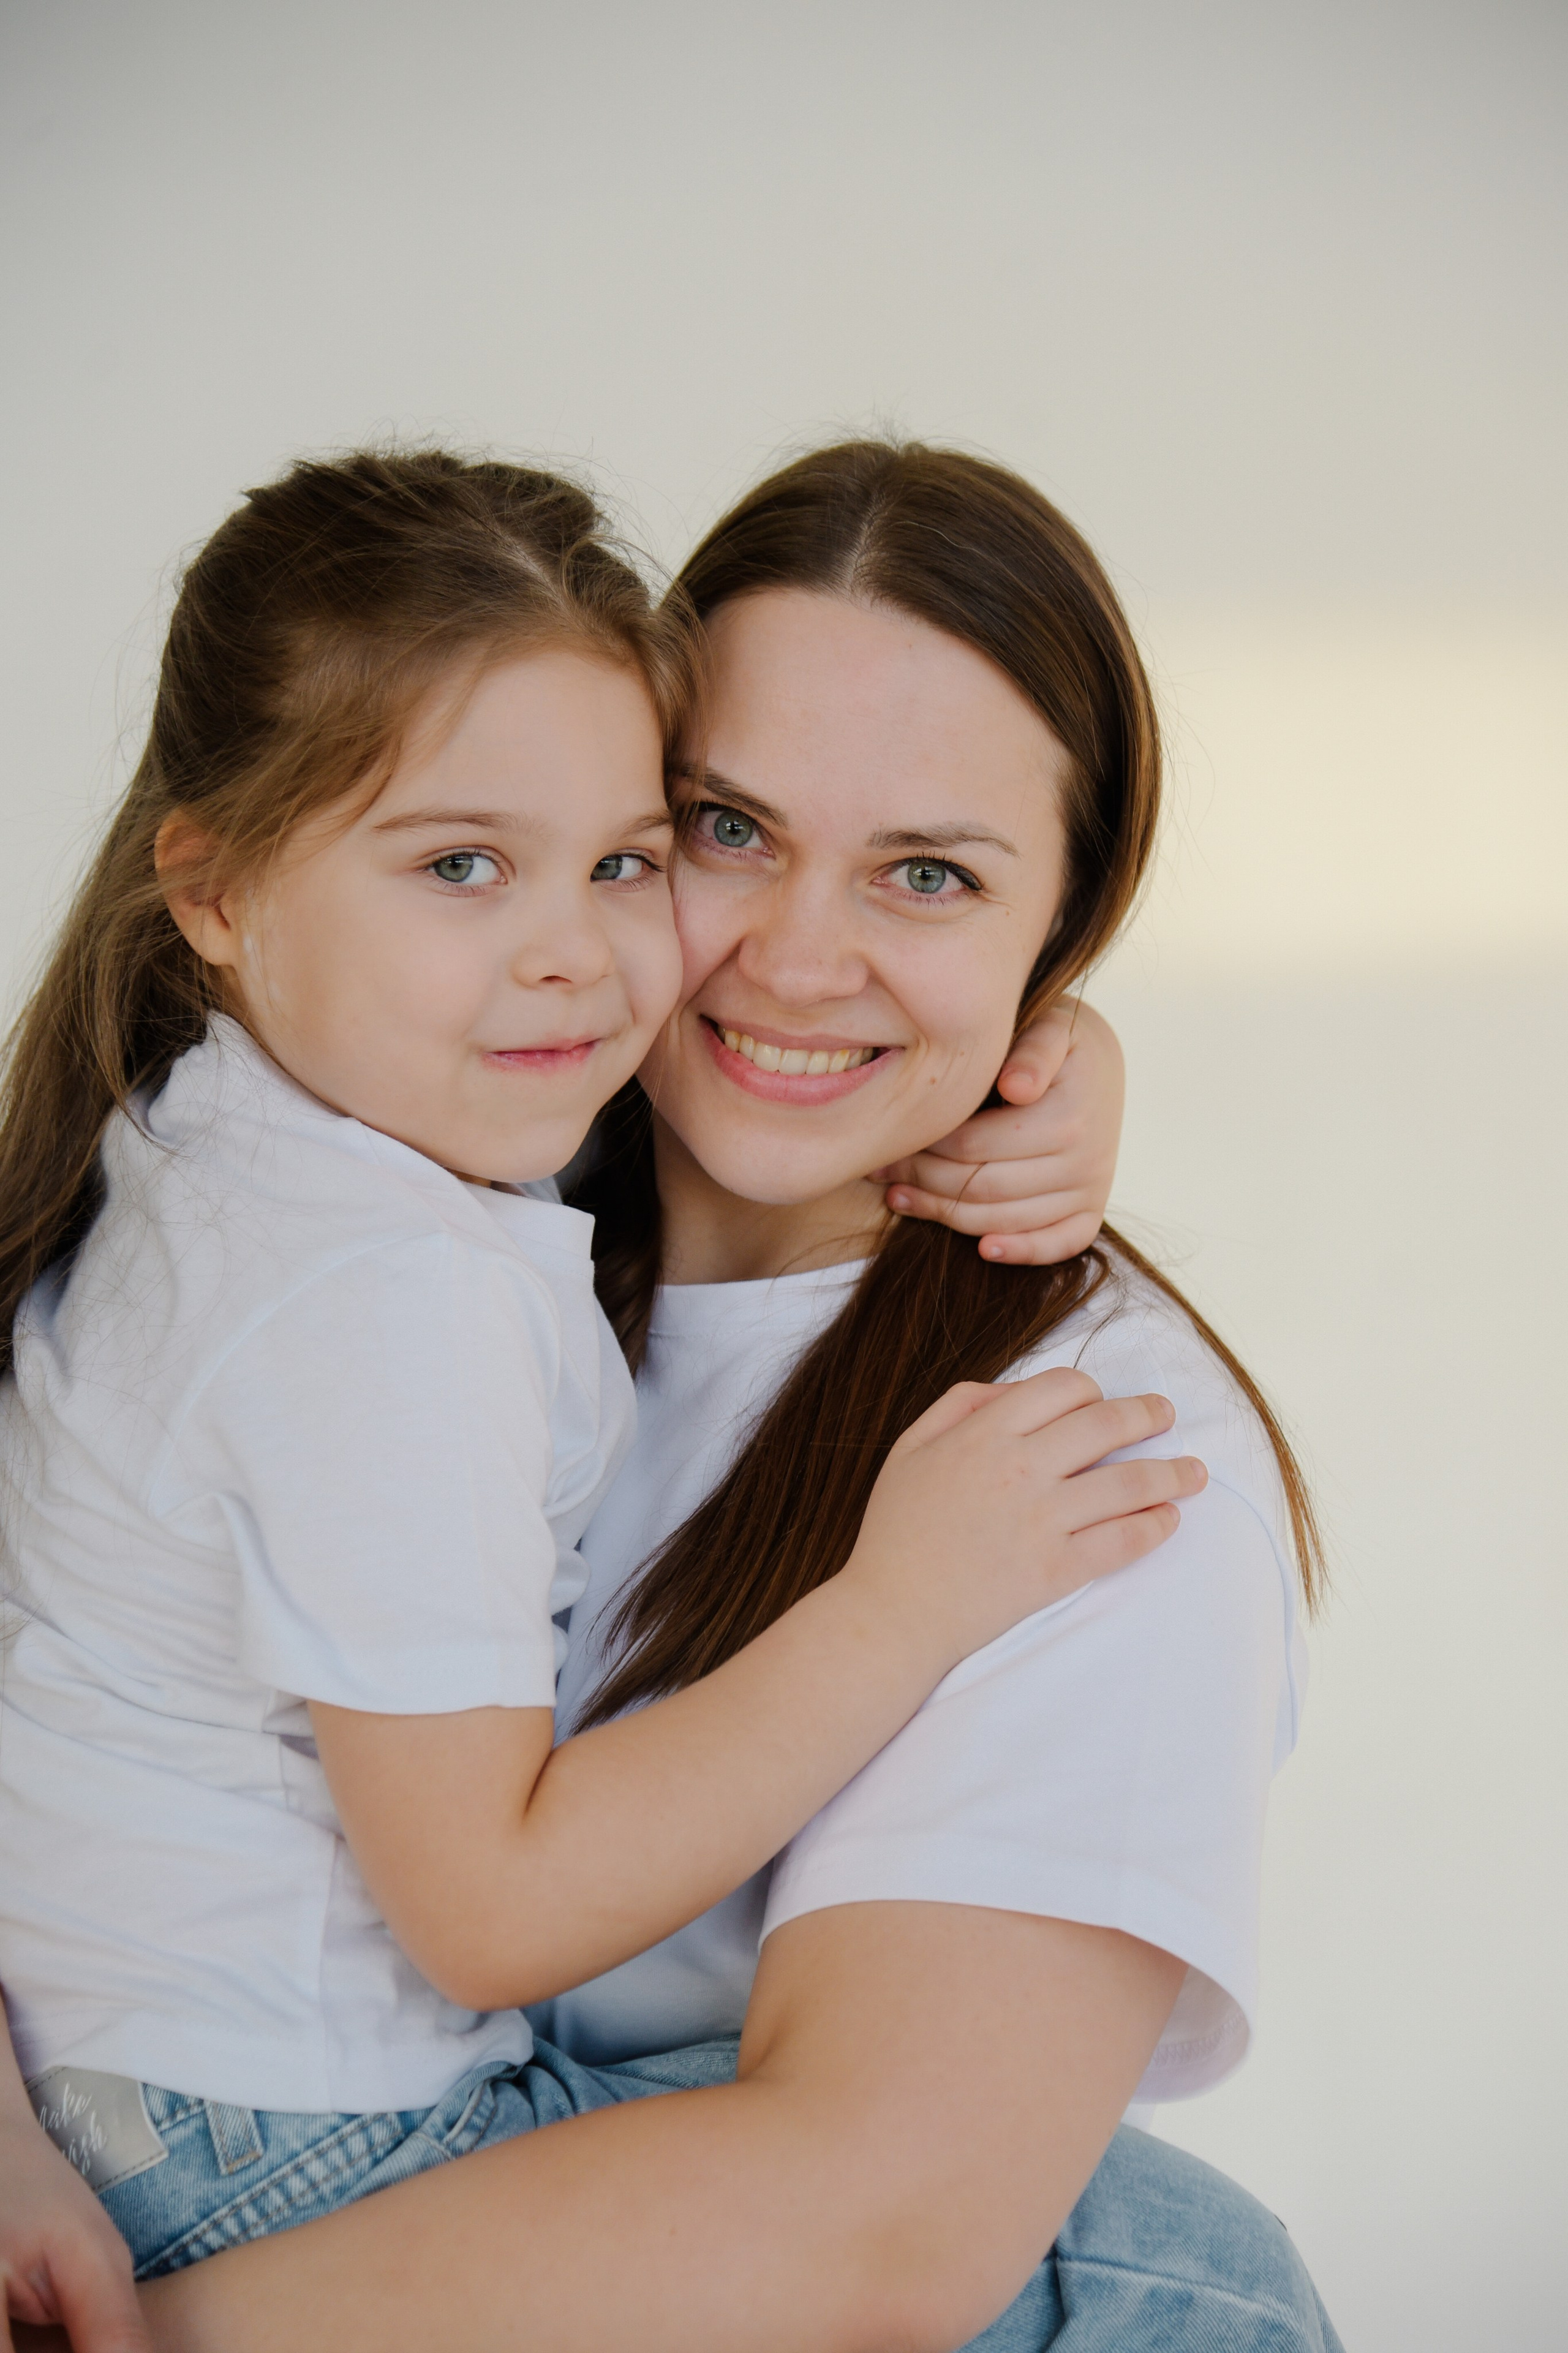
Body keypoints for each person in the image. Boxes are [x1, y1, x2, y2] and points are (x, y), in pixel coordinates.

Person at [3, 437, 1343, 2352]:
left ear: (1063, 938)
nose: (796, 954)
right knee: (1177, 2270)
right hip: (236, 2170)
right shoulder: (438, 1221)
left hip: (270, 2213)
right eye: (723, 830)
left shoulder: (1082, 1462)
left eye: (933, 874)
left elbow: (874, 2229)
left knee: (1170, 2257)